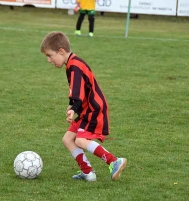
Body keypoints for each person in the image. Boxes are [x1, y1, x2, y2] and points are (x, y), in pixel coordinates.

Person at [40, 31, 127, 181]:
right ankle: (88, 172)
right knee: (68, 139)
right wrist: (71, 105)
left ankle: (114, 161)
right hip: (87, 109)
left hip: (94, 109)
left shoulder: (75, 67)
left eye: (49, 55)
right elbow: (78, 89)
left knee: (80, 140)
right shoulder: (72, 63)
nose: (48, 60)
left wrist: (73, 109)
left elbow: (78, 94)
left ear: (61, 51)